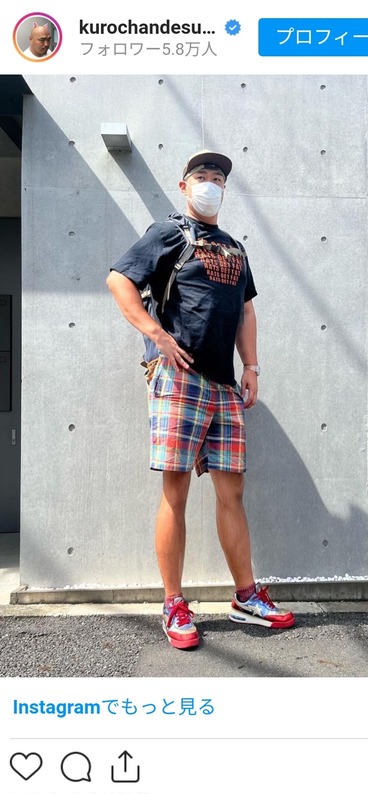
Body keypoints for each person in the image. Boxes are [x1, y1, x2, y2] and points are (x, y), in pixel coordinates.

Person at [107, 149, 294, 649]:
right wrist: (157, 336)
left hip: (224, 384)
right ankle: (173, 603)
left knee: (232, 492)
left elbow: (246, 310)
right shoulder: (169, 233)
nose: (210, 183)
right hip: (179, 377)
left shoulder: (234, 248)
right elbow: (120, 280)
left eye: (218, 178)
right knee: (176, 490)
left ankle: (246, 597)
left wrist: (251, 366)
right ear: (184, 185)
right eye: (201, 176)